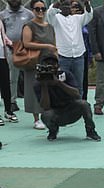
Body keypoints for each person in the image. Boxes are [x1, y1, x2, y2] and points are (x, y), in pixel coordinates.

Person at [35, 50, 100, 141]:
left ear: (58, 66)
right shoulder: (39, 83)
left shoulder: (65, 75)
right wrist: (44, 86)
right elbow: (45, 106)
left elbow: (76, 94)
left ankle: (90, 131)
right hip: (55, 114)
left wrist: (59, 83)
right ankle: (53, 131)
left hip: (71, 110)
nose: (50, 68)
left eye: (52, 64)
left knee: (84, 104)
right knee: (46, 115)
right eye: (47, 65)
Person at [47, 0, 92, 99]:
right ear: (60, 7)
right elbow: (50, 13)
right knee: (63, 85)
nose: (67, 7)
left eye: (68, 6)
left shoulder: (77, 18)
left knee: (79, 86)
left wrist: (87, 4)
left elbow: (88, 15)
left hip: (78, 57)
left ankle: (78, 108)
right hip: (63, 58)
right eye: (64, 5)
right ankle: (65, 109)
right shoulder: (56, 19)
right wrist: (58, 2)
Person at [21, 0, 56, 130]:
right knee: (33, 89)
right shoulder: (29, 26)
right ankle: (36, 119)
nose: (40, 11)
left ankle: (48, 115)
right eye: (37, 9)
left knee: (48, 88)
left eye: (43, 9)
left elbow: (54, 44)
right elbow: (26, 43)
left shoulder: (50, 26)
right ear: (32, 10)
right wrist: (45, 46)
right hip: (34, 62)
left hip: (49, 62)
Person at [0, 0, 34, 114]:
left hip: (26, 49)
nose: (14, 1)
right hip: (10, 49)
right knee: (12, 78)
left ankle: (33, 102)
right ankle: (12, 101)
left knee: (30, 77)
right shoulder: (2, 15)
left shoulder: (29, 14)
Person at [0, 17, 17, 124]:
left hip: (2, 57)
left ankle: (8, 111)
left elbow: (3, 36)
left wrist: (11, 43)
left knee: (6, 85)